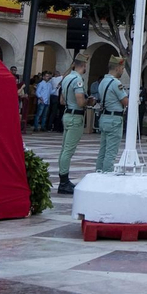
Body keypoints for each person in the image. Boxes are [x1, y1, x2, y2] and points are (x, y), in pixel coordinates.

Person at [56, 59, 89, 194]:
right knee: (68, 150)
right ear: (84, 65)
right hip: (76, 116)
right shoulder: (78, 80)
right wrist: (89, 101)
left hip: (67, 113)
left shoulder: (66, 78)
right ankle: (63, 182)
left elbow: (62, 101)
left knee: (64, 148)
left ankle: (63, 178)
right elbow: (80, 102)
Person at [93, 58, 128, 173]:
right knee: (111, 151)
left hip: (105, 117)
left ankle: (98, 172)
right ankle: (107, 173)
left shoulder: (103, 81)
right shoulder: (116, 83)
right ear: (117, 67)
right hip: (114, 119)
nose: (122, 71)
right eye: (122, 69)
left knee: (103, 149)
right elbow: (125, 101)